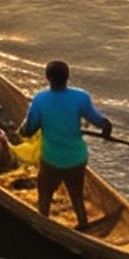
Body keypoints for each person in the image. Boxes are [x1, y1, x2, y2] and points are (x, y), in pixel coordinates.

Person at [17, 59, 112, 230]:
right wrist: (106, 127)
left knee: (45, 192)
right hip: (77, 158)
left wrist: (21, 131)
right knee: (76, 193)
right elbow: (97, 120)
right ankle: (83, 223)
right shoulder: (81, 97)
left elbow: (29, 129)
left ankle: (43, 222)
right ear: (68, 77)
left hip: (52, 159)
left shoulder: (40, 100)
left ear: (48, 77)